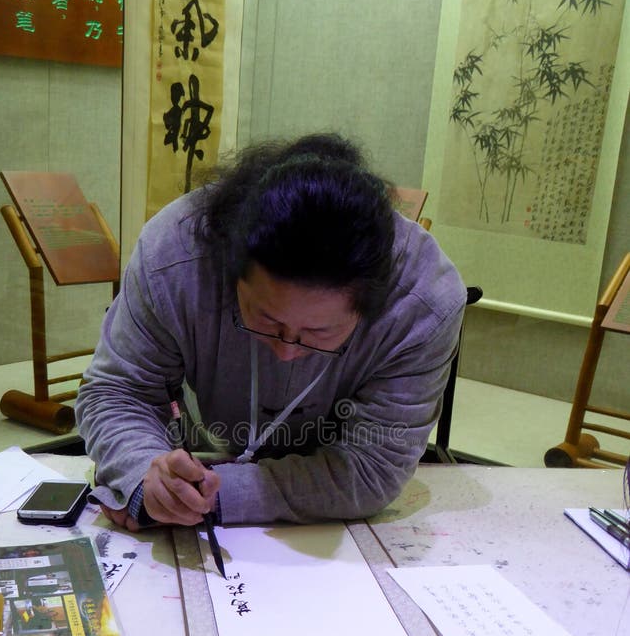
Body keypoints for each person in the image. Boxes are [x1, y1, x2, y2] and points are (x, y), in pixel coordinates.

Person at [75, 133, 467, 531]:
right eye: (265, 319)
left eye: (319, 332)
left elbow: (370, 468)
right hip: (206, 453)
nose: (287, 350)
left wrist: (210, 496)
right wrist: (146, 474)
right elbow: (117, 391)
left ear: (369, 305)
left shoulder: (422, 304)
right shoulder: (175, 258)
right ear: (232, 274)